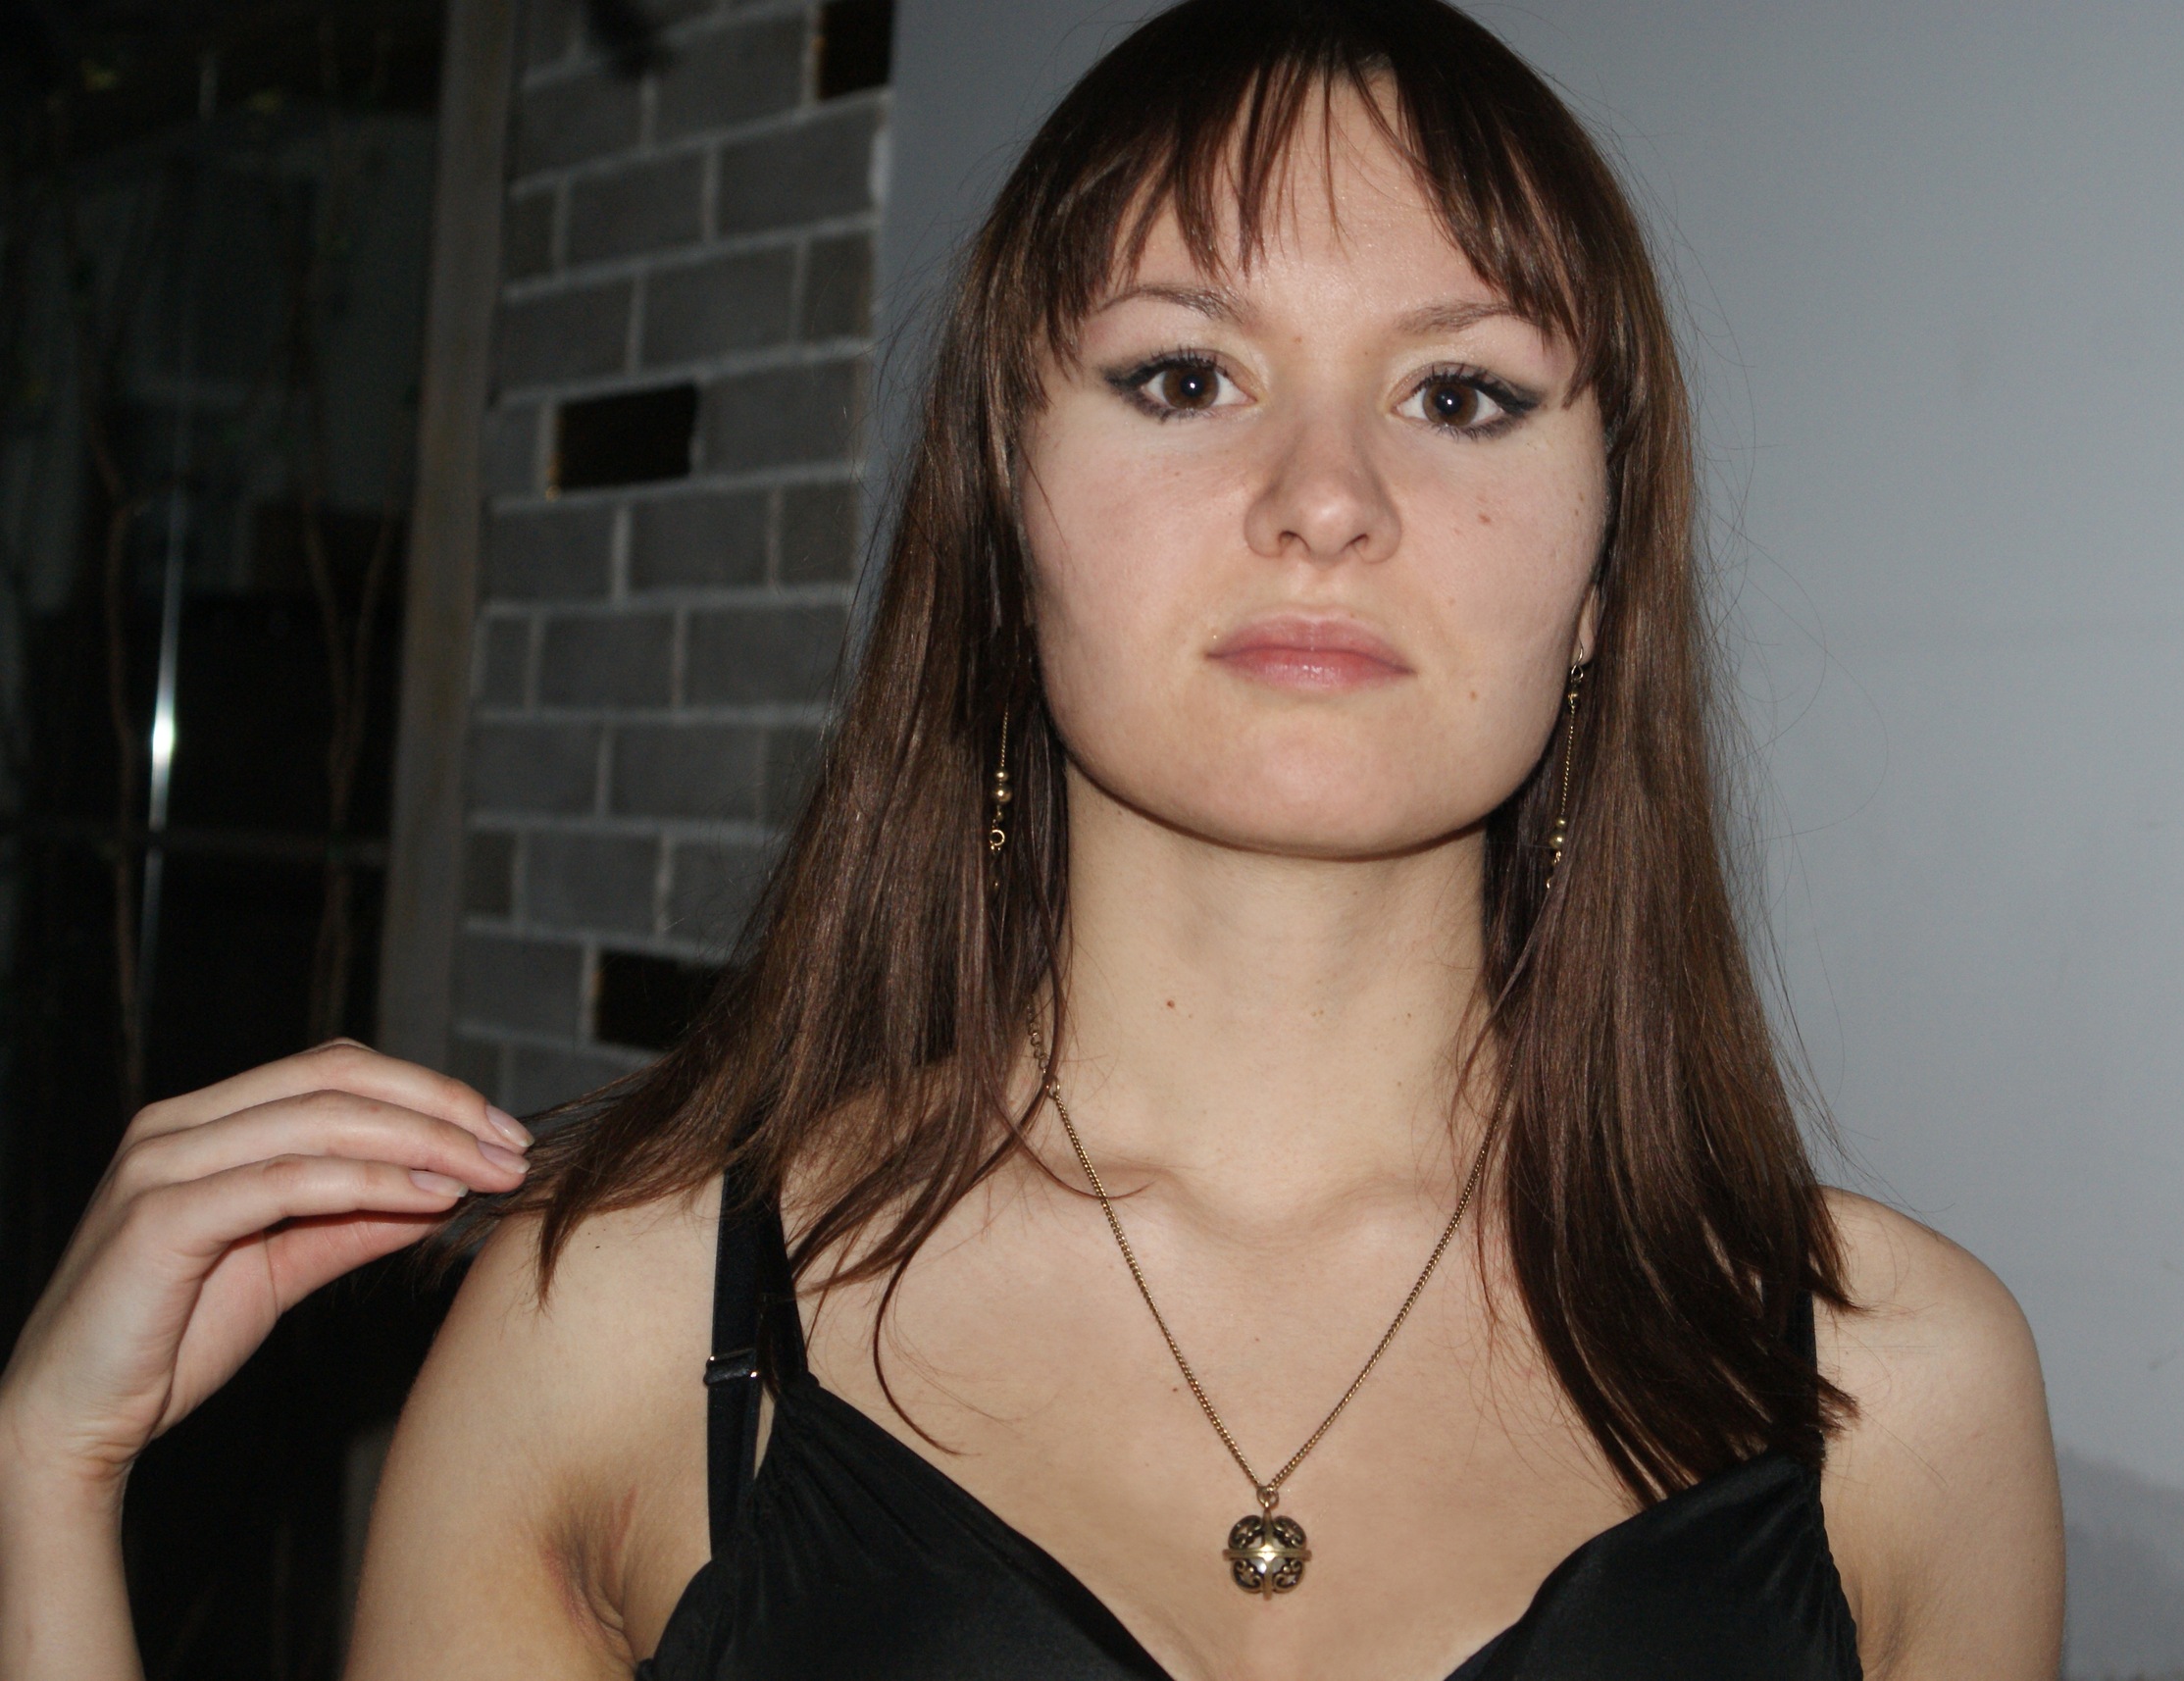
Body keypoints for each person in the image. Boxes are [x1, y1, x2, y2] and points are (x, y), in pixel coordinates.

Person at [0, 2, 2064, 1675]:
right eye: (1185, 374)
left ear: (1601, 574)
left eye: (1458, 396)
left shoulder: (1896, 1388)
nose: (1325, 497)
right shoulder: (625, 1320)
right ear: (1003, 520)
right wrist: (45, 1483)